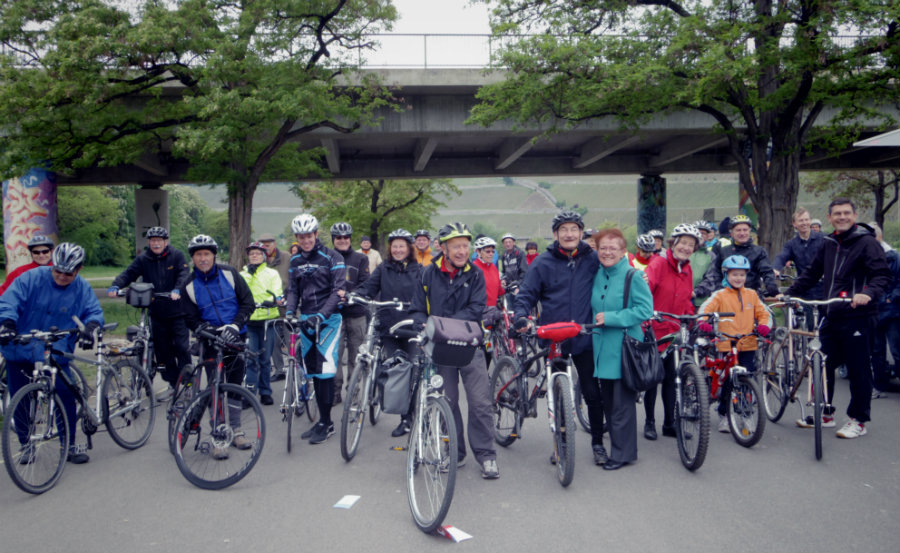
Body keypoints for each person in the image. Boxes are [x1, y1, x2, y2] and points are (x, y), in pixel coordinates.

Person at [784, 198, 892, 438]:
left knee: (858, 369)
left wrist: (867, 293)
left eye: (846, 213)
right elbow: (812, 273)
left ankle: (858, 419)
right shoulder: (829, 243)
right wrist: (787, 295)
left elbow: (882, 275)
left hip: (859, 315)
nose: (841, 217)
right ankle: (825, 413)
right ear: (830, 217)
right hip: (831, 314)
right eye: (837, 214)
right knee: (822, 364)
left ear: (854, 215)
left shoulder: (867, 243)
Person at [514, 210, 607, 465]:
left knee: (592, 392)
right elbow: (526, 295)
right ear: (555, 234)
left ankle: (598, 443)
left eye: (574, 229)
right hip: (554, 336)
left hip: (584, 334)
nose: (569, 234)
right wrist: (520, 316)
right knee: (557, 394)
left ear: (581, 233)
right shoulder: (542, 262)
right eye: (564, 229)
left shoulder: (592, 259)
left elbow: (615, 275)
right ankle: (561, 443)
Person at [410, 222, 500, 479]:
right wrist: (423, 324)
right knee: (447, 403)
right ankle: (455, 452)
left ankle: (486, 455)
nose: (462, 251)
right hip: (440, 350)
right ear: (444, 248)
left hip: (471, 347)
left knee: (481, 403)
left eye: (465, 246)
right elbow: (417, 308)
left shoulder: (475, 275)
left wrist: (440, 324)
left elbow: (475, 309)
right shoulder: (428, 273)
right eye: (456, 246)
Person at [0, 243, 104, 464]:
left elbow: (93, 311)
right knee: (21, 399)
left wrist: (90, 328)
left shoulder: (81, 287)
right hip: (21, 346)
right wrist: (7, 324)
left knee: (65, 395)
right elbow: (9, 301)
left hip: (55, 350)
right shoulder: (31, 278)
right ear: (52, 265)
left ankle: (70, 445)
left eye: (68, 273)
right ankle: (26, 445)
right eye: (57, 271)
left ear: (79, 270)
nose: (61, 277)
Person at [180, 234, 256, 460]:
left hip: (235, 337)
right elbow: (189, 318)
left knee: (233, 385)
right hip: (210, 342)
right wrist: (205, 330)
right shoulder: (189, 285)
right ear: (193, 258)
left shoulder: (230, 274)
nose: (203, 259)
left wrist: (236, 324)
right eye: (198, 255)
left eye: (206, 254)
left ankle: (236, 430)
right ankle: (218, 434)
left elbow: (248, 303)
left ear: (214, 255)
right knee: (215, 386)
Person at [590, 228, 654, 470]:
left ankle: (622, 454)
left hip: (624, 349)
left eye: (612, 248)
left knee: (621, 407)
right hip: (601, 348)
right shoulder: (597, 274)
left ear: (623, 252)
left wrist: (612, 317)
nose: (607, 252)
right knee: (609, 404)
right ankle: (620, 448)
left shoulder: (633, 275)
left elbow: (645, 310)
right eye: (603, 248)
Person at [354, 228, 423, 437]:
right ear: (390, 249)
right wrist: (356, 294)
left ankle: (407, 419)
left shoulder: (419, 270)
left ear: (409, 248)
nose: (398, 250)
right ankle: (382, 394)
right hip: (388, 327)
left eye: (402, 246)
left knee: (409, 375)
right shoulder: (383, 268)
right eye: (394, 246)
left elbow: (427, 293)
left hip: (411, 329)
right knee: (394, 370)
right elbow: (369, 287)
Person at [284, 213, 346, 444]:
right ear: (297, 237)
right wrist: (291, 312)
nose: (306, 240)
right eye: (301, 236)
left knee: (326, 372)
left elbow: (338, 291)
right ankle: (321, 421)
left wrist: (321, 315)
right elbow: (293, 291)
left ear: (316, 234)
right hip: (307, 319)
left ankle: (327, 423)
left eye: (309, 235)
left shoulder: (332, 257)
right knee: (314, 373)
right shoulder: (295, 261)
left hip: (329, 320)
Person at [107, 226, 191, 393]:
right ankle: (173, 384)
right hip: (157, 311)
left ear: (166, 242)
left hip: (178, 311)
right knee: (163, 351)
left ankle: (188, 383)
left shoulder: (176, 256)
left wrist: (177, 289)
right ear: (149, 243)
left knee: (181, 347)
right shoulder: (144, 259)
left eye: (159, 240)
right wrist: (116, 285)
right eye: (153, 240)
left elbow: (184, 274)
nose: (156, 243)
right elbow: (129, 273)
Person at [698, 255, 772, 432]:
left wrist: (763, 326)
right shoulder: (720, 295)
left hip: (748, 344)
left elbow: (765, 313)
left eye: (742, 275)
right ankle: (724, 414)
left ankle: (745, 414)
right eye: (734, 275)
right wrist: (703, 322)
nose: (738, 278)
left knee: (746, 381)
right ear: (726, 275)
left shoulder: (752, 295)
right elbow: (705, 310)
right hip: (726, 343)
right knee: (727, 382)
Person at [643, 224, 701, 440]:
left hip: (675, 330)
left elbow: (685, 298)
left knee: (671, 378)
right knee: (652, 378)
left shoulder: (687, 269)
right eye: (683, 243)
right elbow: (644, 291)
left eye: (691, 245)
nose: (686, 248)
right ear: (674, 243)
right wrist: (646, 315)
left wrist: (691, 316)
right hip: (655, 329)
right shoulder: (658, 263)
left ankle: (669, 423)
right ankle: (649, 422)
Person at [240, 241, 284, 406]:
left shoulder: (272, 274)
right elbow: (239, 294)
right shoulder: (243, 275)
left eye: (258, 253)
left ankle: (265, 391)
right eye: (252, 254)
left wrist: (271, 300)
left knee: (265, 359)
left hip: (267, 321)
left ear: (264, 256)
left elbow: (277, 293)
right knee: (251, 359)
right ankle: (250, 393)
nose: (254, 256)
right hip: (250, 321)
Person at [694, 214, 779, 300]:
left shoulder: (759, 251)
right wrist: (720, 290)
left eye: (745, 230)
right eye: (738, 230)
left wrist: (773, 290)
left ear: (749, 231)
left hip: (752, 296)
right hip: (727, 297)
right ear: (731, 233)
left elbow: (767, 272)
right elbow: (716, 274)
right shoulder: (723, 251)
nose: (742, 233)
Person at [332, 222, 370, 404]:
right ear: (333, 239)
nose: (342, 240)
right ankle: (335, 392)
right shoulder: (328, 258)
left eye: (346, 237)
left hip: (356, 313)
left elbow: (365, 283)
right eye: (338, 237)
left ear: (350, 239)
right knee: (334, 356)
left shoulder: (360, 259)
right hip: (334, 315)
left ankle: (353, 394)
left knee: (356, 356)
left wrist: (351, 295)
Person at [869, 222, 899, 396]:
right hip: (873, 309)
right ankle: (880, 386)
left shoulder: (893, 257)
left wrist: (891, 298)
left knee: (896, 349)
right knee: (876, 350)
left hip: (891, 310)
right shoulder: (865, 256)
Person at [772, 208, 825, 299]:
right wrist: (775, 268)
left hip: (825, 288)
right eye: (800, 220)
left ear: (810, 221)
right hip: (804, 289)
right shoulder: (792, 244)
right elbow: (782, 256)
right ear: (794, 224)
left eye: (806, 220)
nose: (804, 223)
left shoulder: (824, 239)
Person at [259, 232, 291, 382]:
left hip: (287, 305)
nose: (266, 247)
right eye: (263, 245)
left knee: (291, 339)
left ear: (274, 244)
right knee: (273, 342)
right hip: (270, 307)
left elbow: (294, 279)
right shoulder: (260, 260)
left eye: (268, 244)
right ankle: (279, 369)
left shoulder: (287, 257)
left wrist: (289, 297)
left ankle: (295, 369)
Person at [472, 235, 504, 368]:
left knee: (490, 347)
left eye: (492, 251)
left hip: (492, 313)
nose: (491, 254)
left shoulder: (494, 268)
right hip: (479, 313)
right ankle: (480, 375)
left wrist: (508, 289)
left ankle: (486, 374)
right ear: (478, 252)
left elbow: (498, 290)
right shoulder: (473, 269)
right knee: (480, 347)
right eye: (487, 251)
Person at [690, 221, 717, 308]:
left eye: (703, 233)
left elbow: (710, 279)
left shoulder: (710, 256)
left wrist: (696, 292)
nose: (700, 235)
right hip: (680, 298)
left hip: (699, 301)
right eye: (698, 232)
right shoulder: (684, 251)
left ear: (707, 236)